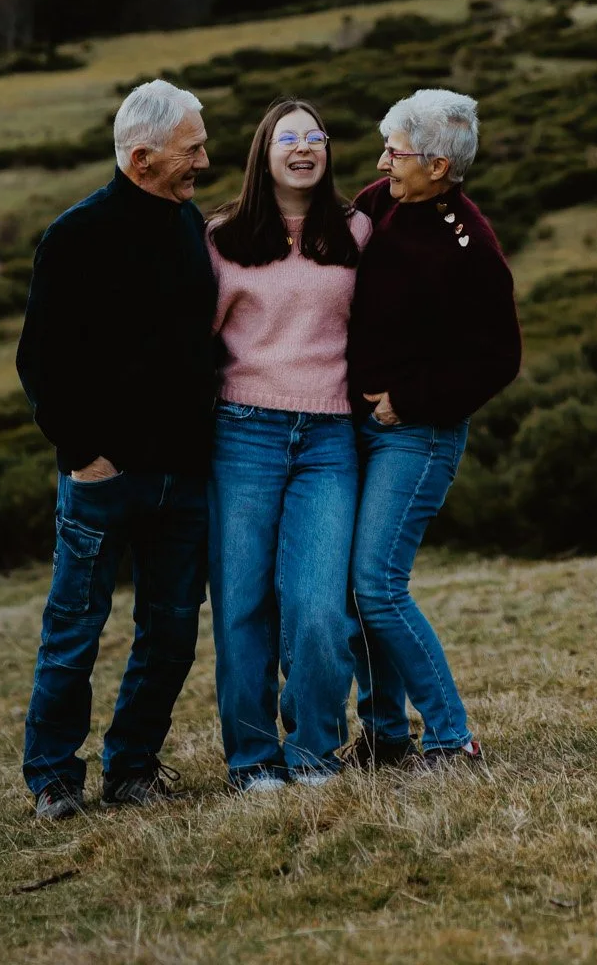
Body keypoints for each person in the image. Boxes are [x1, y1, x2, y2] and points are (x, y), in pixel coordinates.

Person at [16, 78, 216, 818]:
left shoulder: (191, 226)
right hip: (103, 477)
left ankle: (131, 767)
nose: (202, 159)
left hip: (186, 477)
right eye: (190, 148)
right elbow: (40, 361)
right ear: (140, 158)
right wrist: (83, 454)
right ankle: (54, 779)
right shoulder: (76, 236)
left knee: (168, 634)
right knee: (74, 631)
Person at [345, 87, 521, 772]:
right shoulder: (377, 201)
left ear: (439, 167)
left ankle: (453, 740)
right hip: (351, 426)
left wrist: (409, 400)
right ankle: (386, 737)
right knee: (351, 596)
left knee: (377, 583)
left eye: (396, 150)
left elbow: (498, 359)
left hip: (416, 437)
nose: (382, 158)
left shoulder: (470, 246)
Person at [206, 99, 372, 790]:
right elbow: (195, 341)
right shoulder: (222, 237)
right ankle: (251, 763)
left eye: (315, 138)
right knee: (242, 605)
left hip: (329, 438)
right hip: (242, 434)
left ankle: (312, 752)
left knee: (316, 608)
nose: (302, 149)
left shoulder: (357, 232)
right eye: (287, 139)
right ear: (263, 153)